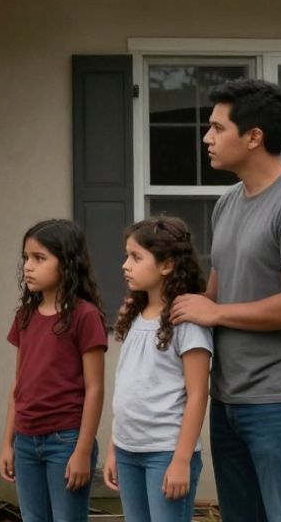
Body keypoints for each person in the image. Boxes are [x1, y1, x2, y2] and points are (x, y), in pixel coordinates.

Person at [170, 78, 281, 522]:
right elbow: (214, 294)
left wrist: (215, 311)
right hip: (230, 400)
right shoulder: (228, 203)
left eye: (217, 128)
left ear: (254, 136)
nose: (206, 138)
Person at [103, 217, 211, 522]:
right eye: (127, 256)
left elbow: (198, 394)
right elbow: (128, 388)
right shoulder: (134, 315)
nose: (125, 265)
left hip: (166, 453)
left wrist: (181, 461)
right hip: (127, 450)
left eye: (136, 257)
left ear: (167, 265)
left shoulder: (185, 321)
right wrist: (114, 447)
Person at [0, 219, 108, 522]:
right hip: (25, 440)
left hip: (66, 441)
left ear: (67, 263)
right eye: (26, 258)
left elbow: (95, 388)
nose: (28, 267)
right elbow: (18, 383)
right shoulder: (25, 316)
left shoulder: (85, 316)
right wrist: (7, 443)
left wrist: (82, 451)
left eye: (39, 258)